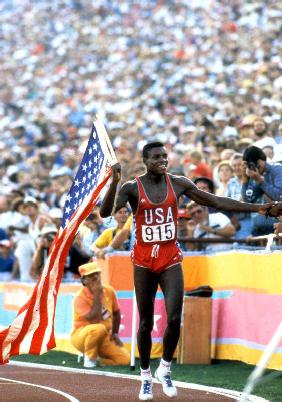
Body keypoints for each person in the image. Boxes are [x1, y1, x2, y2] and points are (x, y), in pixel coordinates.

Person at [98, 141, 279, 401]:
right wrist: (114, 181)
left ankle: (166, 369)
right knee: (146, 321)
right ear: (145, 161)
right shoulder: (132, 187)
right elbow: (106, 213)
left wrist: (259, 208)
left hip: (170, 258)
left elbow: (216, 200)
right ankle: (146, 375)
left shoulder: (179, 183)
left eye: (165, 156)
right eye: (157, 157)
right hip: (143, 261)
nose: (163, 160)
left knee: (173, 318)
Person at [70, 261, 130, 367]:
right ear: (84, 280)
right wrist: (97, 294)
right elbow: (93, 319)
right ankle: (90, 359)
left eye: (97, 274)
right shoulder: (79, 297)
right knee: (98, 328)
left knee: (124, 359)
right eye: (90, 275)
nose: (95, 278)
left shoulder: (109, 291)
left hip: (104, 337)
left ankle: (99, 361)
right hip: (82, 336)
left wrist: (115, 333)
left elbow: (116, 313)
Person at [242, 146, 282, 235]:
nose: (251, 167)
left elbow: (280, 196)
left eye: (251, 164)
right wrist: (245, 181)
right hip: (257, 228)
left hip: (275, 227)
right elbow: (247, 201)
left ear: (260, 161)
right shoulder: (253, 174)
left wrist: (260, 181)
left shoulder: (277, 169)